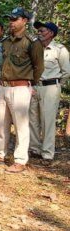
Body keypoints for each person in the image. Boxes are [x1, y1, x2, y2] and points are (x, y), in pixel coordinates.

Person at [0, 8, 44, 173]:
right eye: (10, 19)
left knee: (21, 125)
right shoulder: (6, 41)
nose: (12, 22)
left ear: (25, 21)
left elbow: (38, 67)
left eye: (15, 19)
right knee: (1, 122)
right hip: (3, 86)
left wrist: (31, 84)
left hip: (20, 87)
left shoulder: (32, 42)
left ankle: (20, 159)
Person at [29, 21, 70, 166]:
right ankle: (34, 149)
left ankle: (47, 153)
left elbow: (66, 72)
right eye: (38, 31)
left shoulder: (59, 50)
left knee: (48, 120)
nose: (39, 33)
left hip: (51, 87)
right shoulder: (34, 47)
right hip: (34, 86)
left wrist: (56, 86)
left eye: (42, 31)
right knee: (32, 119)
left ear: (51, 33)